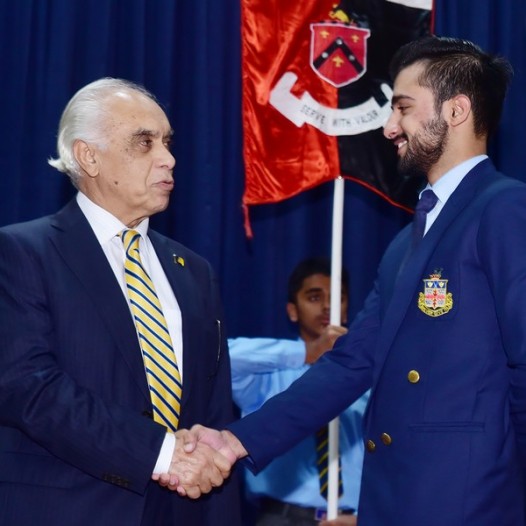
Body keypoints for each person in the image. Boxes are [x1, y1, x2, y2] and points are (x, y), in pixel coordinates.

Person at [176, 36, 526, 525]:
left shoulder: (506, 208)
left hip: (471, 501)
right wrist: (235, 440)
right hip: (395, 500)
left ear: (456, 110)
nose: (389, 127)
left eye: (403, 108)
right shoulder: (405, 243)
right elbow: (351, 362)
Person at [0, 78, 240, 525]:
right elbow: (29, 388)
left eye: (167, 142)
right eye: (144, 142)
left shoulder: (195, 271)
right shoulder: (19, 253)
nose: (168, 158)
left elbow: (214, 411)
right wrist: (162, 453)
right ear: (88, 156)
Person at [229, 258, 368, 526]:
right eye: (314, 297)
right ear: (292, 311)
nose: (327, 306)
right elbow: (222, 356)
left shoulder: (365, 375)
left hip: (353, 519)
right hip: (283, 518)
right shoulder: (267, 378)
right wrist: (307, 352)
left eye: (337, 298)